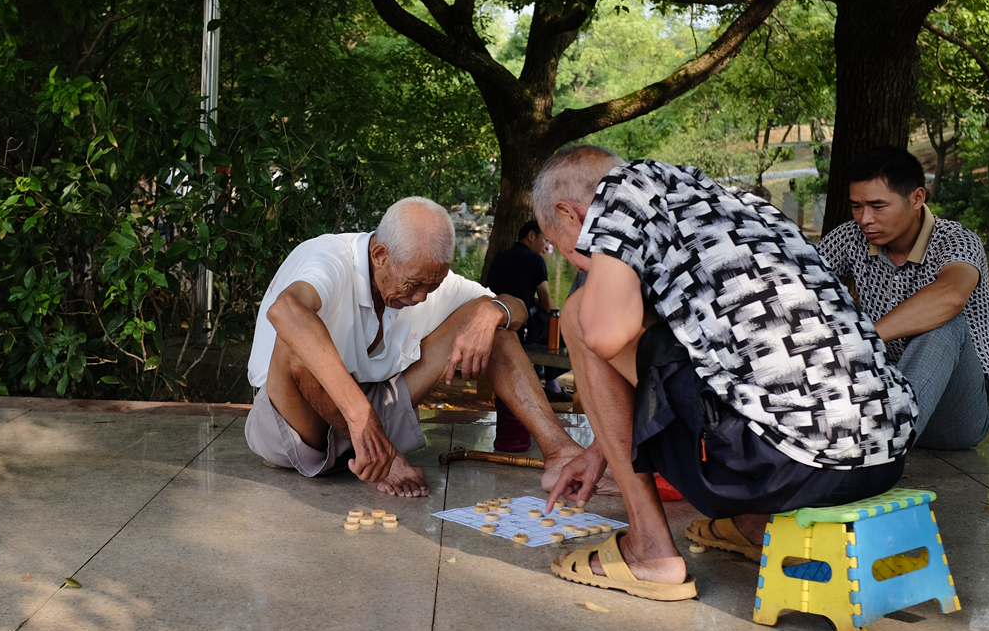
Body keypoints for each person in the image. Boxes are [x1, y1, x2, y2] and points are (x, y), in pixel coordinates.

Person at [532, 146, 916, 600]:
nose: (570, 261)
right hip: (881, 454)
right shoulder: (726, 200)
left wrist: (596, 276)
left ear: (570, 214)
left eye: (563, 249)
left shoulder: (620, 195)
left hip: (786, 466)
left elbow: (605, 335)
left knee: (580, 312)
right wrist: (605, 448)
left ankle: (649, 550)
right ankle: (754, 525)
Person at [244, 196, 610, 497]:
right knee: (295, 339)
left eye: (430, 288)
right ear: (380, 255)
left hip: (375, 409)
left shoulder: (429, 280)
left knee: (487, 320)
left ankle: (560, 451)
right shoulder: (327, 258)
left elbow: (514, 306)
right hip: (295, 424)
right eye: (414, 283)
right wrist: (363, 421)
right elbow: (286, 311)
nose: (420, 298)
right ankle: (374, 448)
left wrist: (492, 311)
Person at [817, 145, 989, 450]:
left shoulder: (957, 240)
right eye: (857, 206)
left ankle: (877, 447)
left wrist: (866, 337)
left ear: (916, 198)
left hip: (955, 413)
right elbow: (799, 282)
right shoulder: (851, 237)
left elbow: (951, 295)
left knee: (945, 321)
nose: (865, 219)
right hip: (881, 391)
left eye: (877, 206)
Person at [486, 220, 571, 402]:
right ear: (531, 235)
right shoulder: (535, 260)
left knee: (543, 319)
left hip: (495, 324)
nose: (546, 247)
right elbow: (548, 305)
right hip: (522, 331)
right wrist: (550, 306)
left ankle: (539, 370)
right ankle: (552, 384)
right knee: (559, 322)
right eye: (545, 240)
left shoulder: (500, 257)